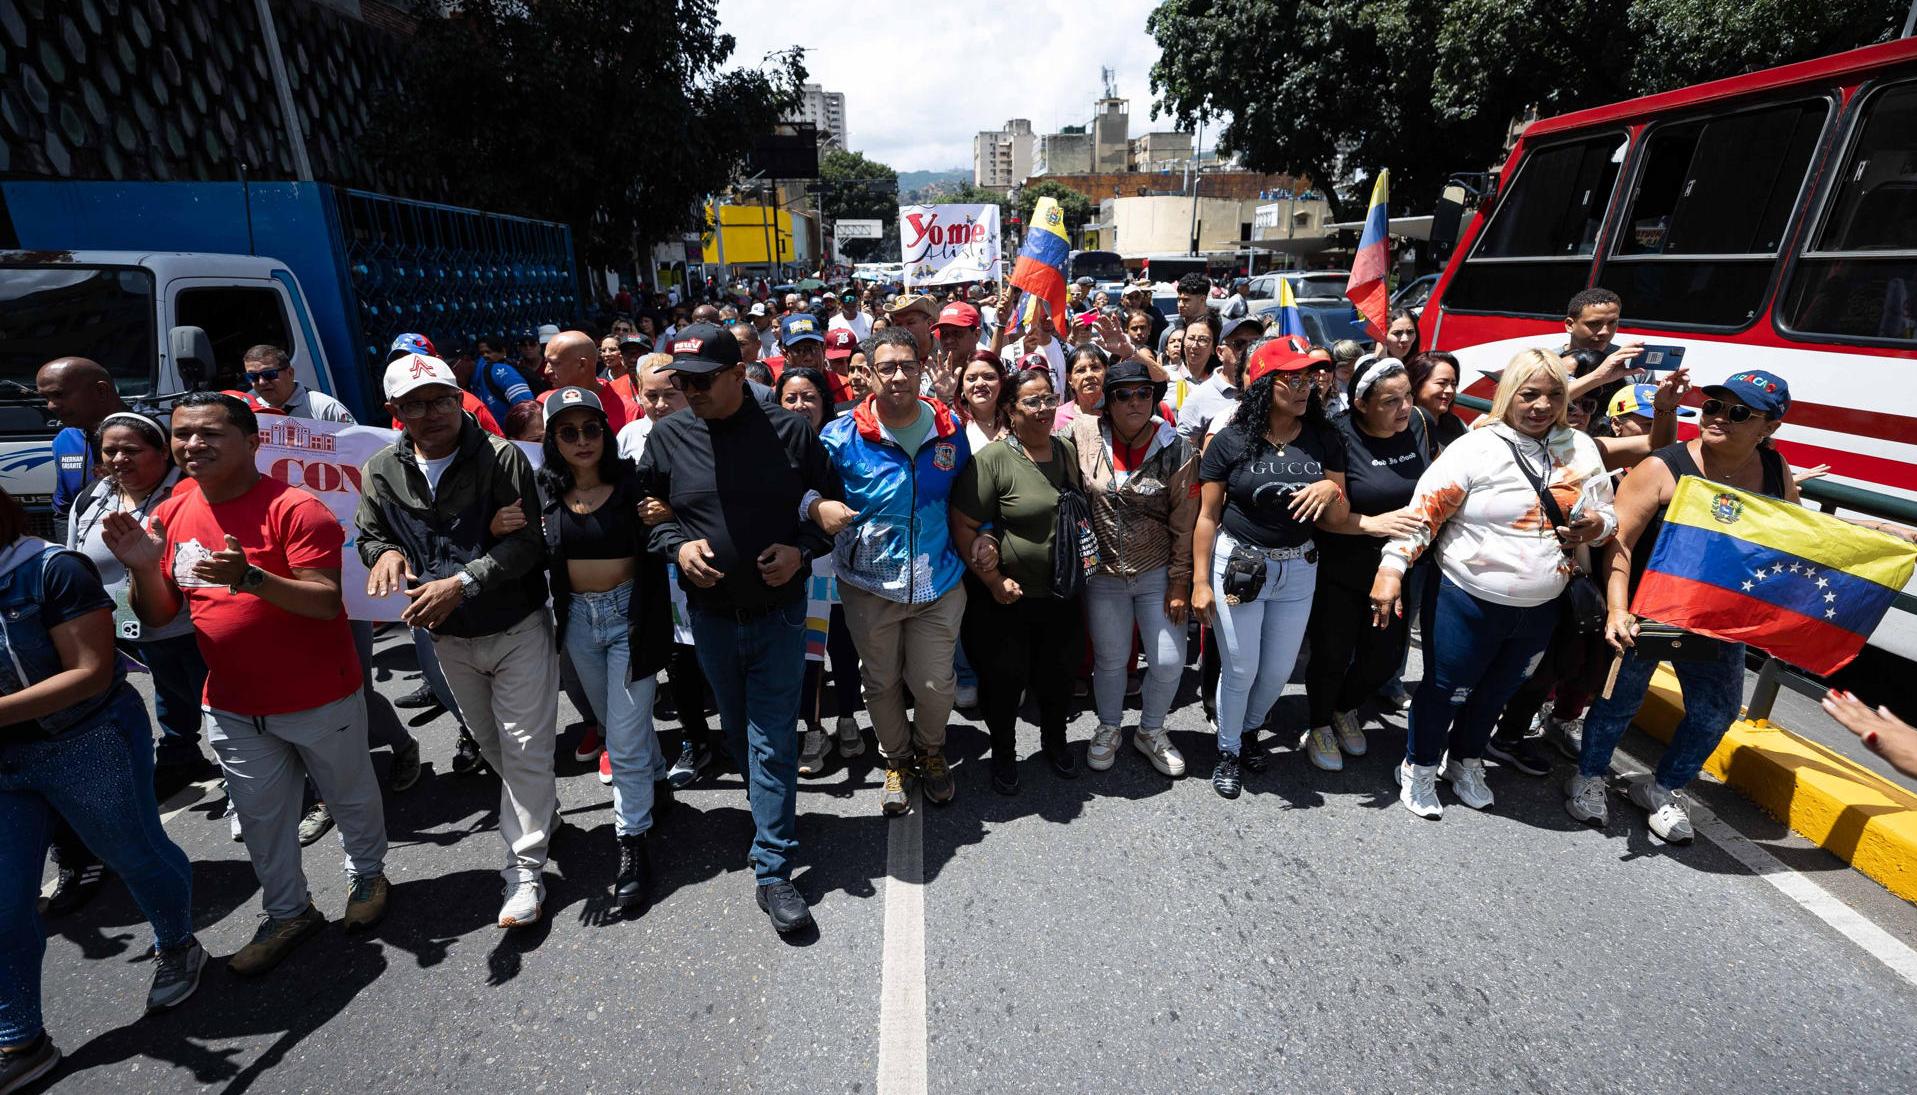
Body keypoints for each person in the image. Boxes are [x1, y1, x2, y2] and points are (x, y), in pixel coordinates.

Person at [104, 392, 390, 973]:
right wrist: (143, 566)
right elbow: (159, 615)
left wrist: (250, 577)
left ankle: (367, 876)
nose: (192, 445)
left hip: (319, 695)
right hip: (232, 702)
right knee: (260, 820)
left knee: (348, 795)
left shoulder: (296, 508)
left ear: (253, 442)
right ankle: (288, 912)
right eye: (182, 434)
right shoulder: (174, 510)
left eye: (210, 434)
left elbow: (324, 602)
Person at [634, 323, 840, 935]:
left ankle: (773, 867)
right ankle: (770, 817)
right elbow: (646, 515)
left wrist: (801, 551)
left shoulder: (790, 430)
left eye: (702, 381)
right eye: (682, 381)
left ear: (736, 374)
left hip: (780, 615)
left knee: (772, 736)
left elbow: (829, 507)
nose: (690, 391)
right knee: (741, 732)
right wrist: (676, 546)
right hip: (711, 621)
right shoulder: (667, 437)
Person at [0, 484, 205, 1089]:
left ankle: (178, 945)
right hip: (5, 763)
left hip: (85, 740)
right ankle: (20, 1038)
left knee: (135, 853)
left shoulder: (50, 571)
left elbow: (90, 672)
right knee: (5, 902)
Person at [1370, 349, 1616, 819]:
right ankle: (1419, 765)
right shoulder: (1475, 448)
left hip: (1541, 607)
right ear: (1508, 395)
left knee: (1497, 692)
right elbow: (1423, 516)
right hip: (1466, 600)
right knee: (1446, 688)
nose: (1542, 405)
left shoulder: (1581, 448)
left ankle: (1465, 761)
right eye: (1529, 394)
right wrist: (1391, 569)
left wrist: (1596, 527)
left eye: (1554, 395)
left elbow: (1607, 514)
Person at [357, 354, 556, 929]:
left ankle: (524, 872)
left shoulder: (500, 456)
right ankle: (542, 814)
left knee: (524, 748)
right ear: (395, 411)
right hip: (446, 637)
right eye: (416, 404)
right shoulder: (381, 471)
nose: (434, 412)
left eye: (443, 398)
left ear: (458, 398)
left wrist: (463, 582)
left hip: (516, 625)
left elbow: (529, 545)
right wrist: (385, 553)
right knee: (492, 744)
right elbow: (369, 534)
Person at [1567, 370, 1795, 841]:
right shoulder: (1663, 466)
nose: (1719, 418)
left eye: (1738, 413)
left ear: (1768, 427)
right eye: (1713, 406)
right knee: (1618, 703)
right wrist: (1618, 610)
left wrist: (1876, 533)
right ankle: (1588, 776)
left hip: (1717, 620)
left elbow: (1793, 534)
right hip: (1645, 612)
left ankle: (1662, 788)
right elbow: (1620, 543)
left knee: (1716, 712)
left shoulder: (1775, 470)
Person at [1192, 337, 1349, 798]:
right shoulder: (1231, 440)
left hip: (1299, 569)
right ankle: (1228, 750)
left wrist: (1331, 491)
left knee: (1278, 671)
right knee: (1240, 668)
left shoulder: (1325, 438)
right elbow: (1207, 516)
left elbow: (1339, 517)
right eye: (1292, 380)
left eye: (1309, 379)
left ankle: (1248, 730)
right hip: (1240, 565)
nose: (1305, 388)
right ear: (1264, 384)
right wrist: (1199, 581)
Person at [820, 329, 969, 814]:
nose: (898, 376)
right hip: (867, 589)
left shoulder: (949, 428)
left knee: (935, 685)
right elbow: (805, 492)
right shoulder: (839, 437)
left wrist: (984, 536)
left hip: (937, 584)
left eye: (907, 365)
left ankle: (931, 751)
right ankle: (897, 759)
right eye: (887, 367)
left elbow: (969, 499)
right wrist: (815, 506)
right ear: (868, 374)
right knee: (880, 683)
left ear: (921, 368)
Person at [539, 386, 673, 910]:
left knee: (622, 738)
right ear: (553, 440)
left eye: (591, 428)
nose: (582, 440)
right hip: (577, 622)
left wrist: (664, 515)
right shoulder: (541, 490)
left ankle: (631, 844)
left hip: (629, 620)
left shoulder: (634, 483)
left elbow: (679, 516)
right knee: (618, 723)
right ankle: (657, 782)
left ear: (606, 433)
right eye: (568, 432)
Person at [949, 367, 1086, 794]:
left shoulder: (1066, 450)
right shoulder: (992, 460)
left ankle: (1055, 743)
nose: (1044, 408)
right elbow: (963, 524)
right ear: (1011, 409)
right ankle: (1004, 754)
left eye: (1049, 399)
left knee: (1058, 676)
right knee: (1004, 682)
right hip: (1007, 597)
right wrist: (992, 580)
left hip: (1062, 591)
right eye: (1032, 401)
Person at [65, 413, 214, 798]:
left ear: (163, 451)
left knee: (217, 704)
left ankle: (254, 776)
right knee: (167, 690)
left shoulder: (190, 492)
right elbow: (75, 556)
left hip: (193, 626)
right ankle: (181, 755)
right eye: (109, 451)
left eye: (131, 450)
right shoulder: (92, 497)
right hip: (126, 622)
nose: (118, 459)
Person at [1068, 358, 1199, 777]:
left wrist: (1180, 582)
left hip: (1158, 572)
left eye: (1144, 393)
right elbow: (1035, 447)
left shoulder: (1176, 447)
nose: (1135, 401)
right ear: (1107, 402)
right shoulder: (1082, 434)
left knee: (1168, 660)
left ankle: (1151, 730)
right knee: (1110, 659)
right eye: (1123, 395)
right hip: (1103, 574)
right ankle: (1108, 727)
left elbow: (1185, 522)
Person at [1301, 357, 1432, 770]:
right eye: (1391, 401)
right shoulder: (1335, 435)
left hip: (1397, 567)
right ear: (1361, 404)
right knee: (1332, 654)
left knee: (1384, 659)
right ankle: (1319, 723)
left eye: (1408, 396)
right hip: (1341, 565)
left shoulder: (1418, 425)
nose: (1404, 407)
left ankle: (1345, 708)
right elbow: (1323, 515)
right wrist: (1376, 524)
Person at [774, 368, 864, 772]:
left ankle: (847, 718)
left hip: (842, 561)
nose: (800, 406)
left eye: (809, 397)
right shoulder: (769, 446)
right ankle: (813, 728)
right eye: (790, 398)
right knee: (807, 654)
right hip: (798, 564)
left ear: (825, 402)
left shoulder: (845, 439)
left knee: (844, 646)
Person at [36, 357, 128, 546]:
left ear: (101, 391)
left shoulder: (155, 433)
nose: (51, 406)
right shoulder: (65, 441)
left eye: (59, 394)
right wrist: (73, 556)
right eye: (46, 398)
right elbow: (64, 511)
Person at [536, 331, 632, 435]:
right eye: (546, 362)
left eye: (555, 363)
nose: (547, 371)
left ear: (582, 364)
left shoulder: (628, 411)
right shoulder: (544, 403)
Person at [242, 345, 353, 422]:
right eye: (253, 376)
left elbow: (356, 443)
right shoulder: (251, 412)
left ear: (290, 373)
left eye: (269, 374)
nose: (262, 382)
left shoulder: (324, 407)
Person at [1173, 313, 1233, 445]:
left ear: (1214, 349)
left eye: (1203, 340)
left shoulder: (1219, 385)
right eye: (1190, 338)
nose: (1195, 345)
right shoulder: (1164, 376)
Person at [1407, 352, 1468, 449]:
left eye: (1453, 384)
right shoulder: (1399, 427)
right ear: (1416, 384)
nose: (1450, 390)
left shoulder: (1458, 426)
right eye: (1442, 383)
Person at [958, 350, 1013, 452]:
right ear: (962, 387)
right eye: (971, 379)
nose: (980, 384)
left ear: (1001, 382)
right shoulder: (954, 423)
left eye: (989, 377)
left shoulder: (1015, 419)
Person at [929, 302, 983, 405]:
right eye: (944, 334)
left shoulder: (996, 370)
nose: (949, 340)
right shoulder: (935, 377)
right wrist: (942, 398)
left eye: (957, 333)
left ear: (976, 335)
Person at [1052, 345, 1108, 431]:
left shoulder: (1116, 412)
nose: (1089, 375)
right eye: (1081, 370)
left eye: (1095, 368)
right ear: (1069, 379)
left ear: (1106, 371)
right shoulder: (1058, 418)